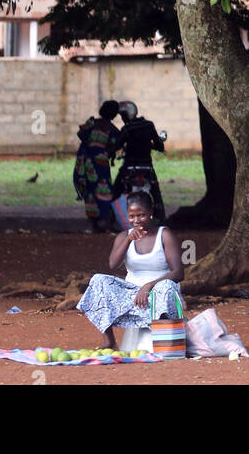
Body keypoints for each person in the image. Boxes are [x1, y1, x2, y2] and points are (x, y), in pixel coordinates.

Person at [76, 190, 184, 351]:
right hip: (132, 297)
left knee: (166, 286)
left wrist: (148, 286)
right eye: (131, 216)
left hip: (159, 296)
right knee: (99, 280)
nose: (136, 220)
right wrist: (128, 240)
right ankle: (110, 342)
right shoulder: (123, 237)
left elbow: (178, 273)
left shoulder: (164, 235)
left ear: (151, 212)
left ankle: (164, 342)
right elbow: (113, 264)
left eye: (141, 215)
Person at [112, 101, 166, 221]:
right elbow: (159, 146)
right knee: (156, 194)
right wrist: (150, 145)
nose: (122, 118)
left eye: (122, 116)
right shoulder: (149, 125)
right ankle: (162, 220)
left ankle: (110, 221)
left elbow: (116, 146)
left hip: (130, 168)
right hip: (147, 167)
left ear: (127, 115)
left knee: (115, 192)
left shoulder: (126, 129)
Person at [73, 100, 121, 233]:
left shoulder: (92, 122)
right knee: (104, 190)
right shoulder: (112, 129)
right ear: (114, 114)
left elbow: (80, 134)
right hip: (101, 164)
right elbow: (116, 146)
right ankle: (104, 222)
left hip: (86, 161)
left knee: (90, 190)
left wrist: (91, 142)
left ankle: (91, 223)